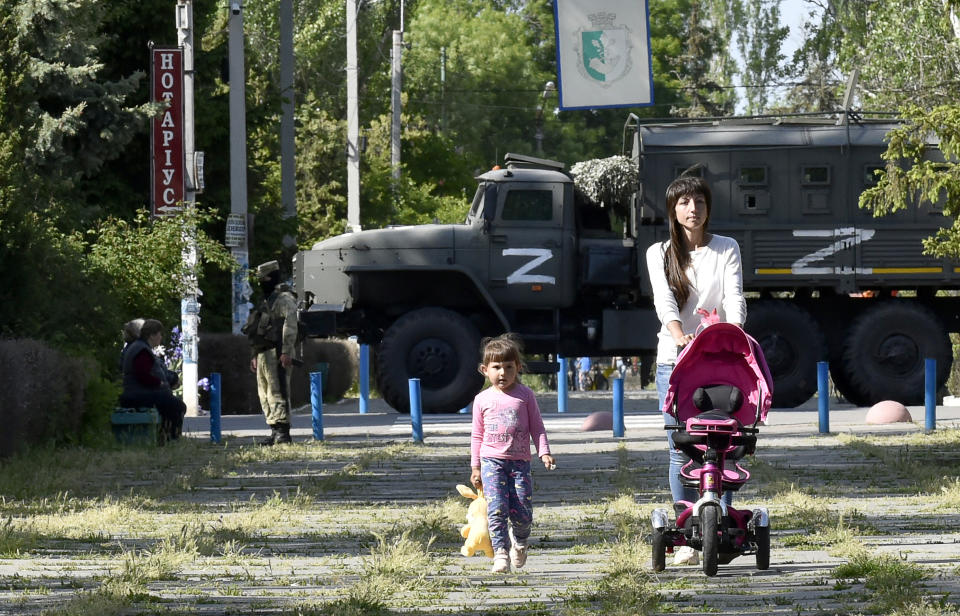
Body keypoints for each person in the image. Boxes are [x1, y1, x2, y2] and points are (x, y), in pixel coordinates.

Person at [644, 173, 746, 566]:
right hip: (676, 359)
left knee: (725, 444)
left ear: (708, 207)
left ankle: (721, 528)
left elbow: (734, 296)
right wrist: (679, 335)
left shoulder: (726, 248)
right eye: (684, 203)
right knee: (680, 446)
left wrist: (733, 336)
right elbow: (664, 302)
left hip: (720, 359)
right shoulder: (660, 253)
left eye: (699, 202)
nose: (693, 209)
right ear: (673, 210)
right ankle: (688, 532)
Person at [469, 333, 556, 574]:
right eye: (496, 367)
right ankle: (500, 553)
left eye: (508, 367)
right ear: (485, 370)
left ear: (518, 368)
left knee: (522, 512)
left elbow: (537, 426)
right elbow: (476, 435)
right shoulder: (481, 400)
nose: (502, 373)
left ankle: (519, 541)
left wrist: (544, 452)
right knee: (497, 509)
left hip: (519, 464)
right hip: (491, 462)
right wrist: (475, 467)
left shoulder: (525, 396)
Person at [244, 260, 299, 445]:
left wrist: (286, 351)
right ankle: (274, 429)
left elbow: (290, 325)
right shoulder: (266, 300)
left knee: (278, 391)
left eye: (264, 278)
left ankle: (283, 432)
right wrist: (254, 354)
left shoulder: (284, 299)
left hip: (277, 352)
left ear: (272, 277)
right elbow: (258, 328)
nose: (261, 282)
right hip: (263, 353)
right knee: (264, 393)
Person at [119, 319, 186, 442]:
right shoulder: (142, 350)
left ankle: (165, 436)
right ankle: (170, 438)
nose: (161, 337)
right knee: (177, 406)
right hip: (137, 394)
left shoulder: (140, 347)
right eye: (159, 334)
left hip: (138, 392)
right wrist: (160, 383)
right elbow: (142, 374)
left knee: (172, 404)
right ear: (152, 335)